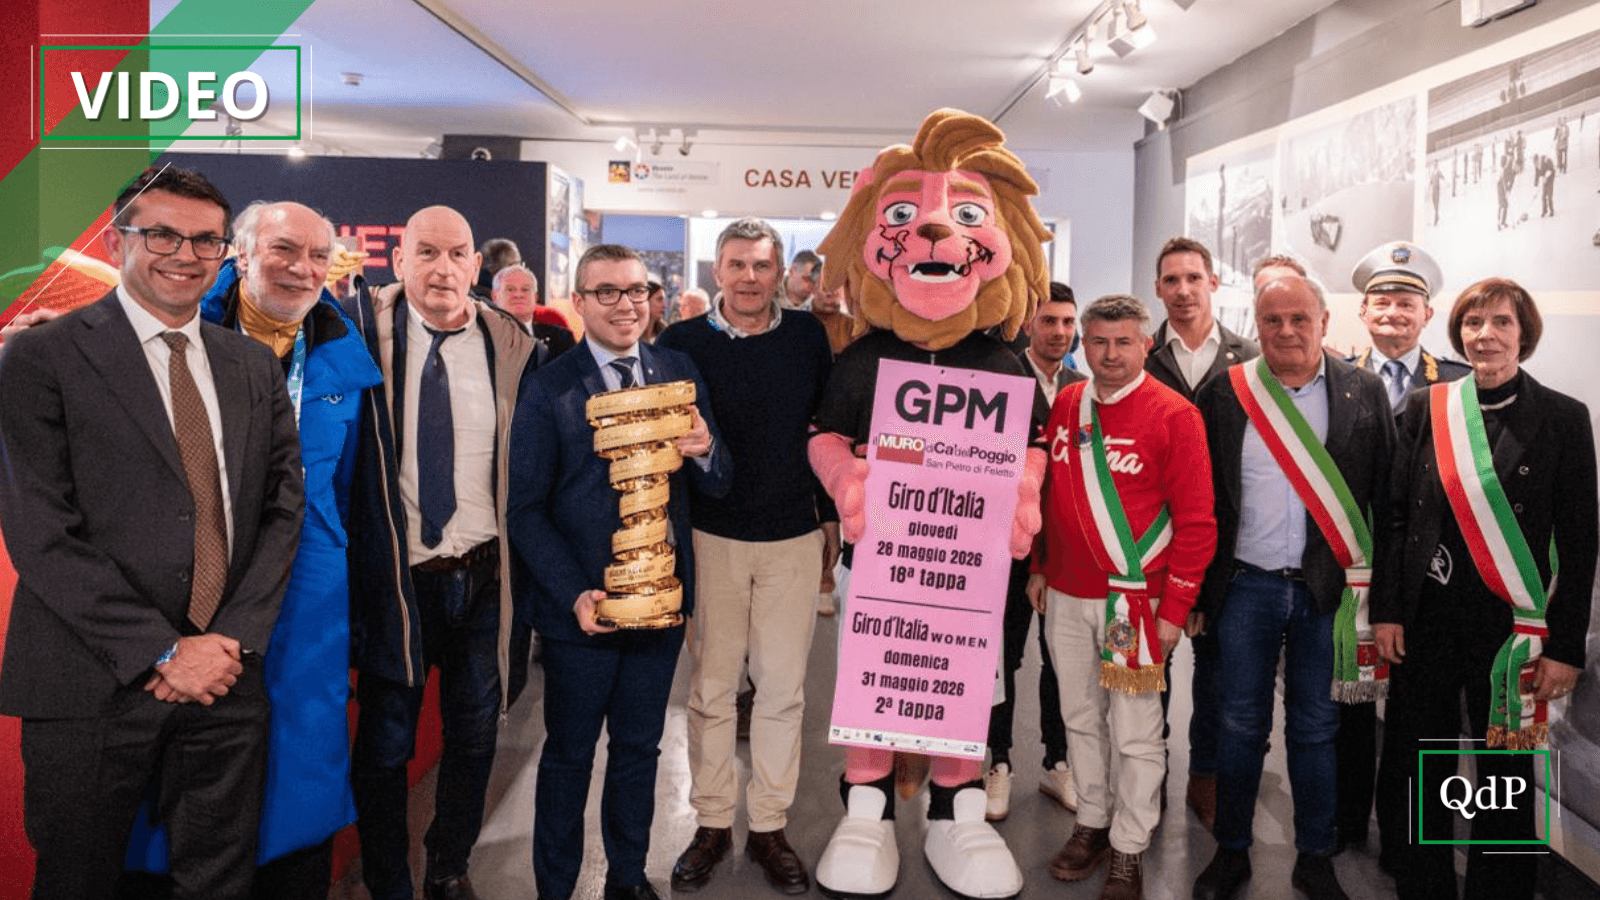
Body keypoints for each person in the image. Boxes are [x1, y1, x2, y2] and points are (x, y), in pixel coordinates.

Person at [0, 165, 304, 900]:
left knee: (218, 880)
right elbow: (41, 531)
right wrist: (163, 651)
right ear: (116, 242)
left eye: (205, 240)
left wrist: (228, 640)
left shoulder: (252, 366)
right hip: (89, 681)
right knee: (77, 879)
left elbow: (282, 511)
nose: (185, 255)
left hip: (225, 678)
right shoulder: (40, 357)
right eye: (162, 234)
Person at [109, 201, 382, 896]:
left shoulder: (344, 354)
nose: (302, 268)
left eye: (318, 256)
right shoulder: (177, 334)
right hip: (195, 591)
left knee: (298, 769)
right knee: (189, 777)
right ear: (241, 253)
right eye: (284, 249)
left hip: (308, 609)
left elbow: (352, 495)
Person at [507, 243, 730, 900]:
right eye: (607, 291)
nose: (626, 304)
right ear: (579, 301)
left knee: (638, 753)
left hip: (659, 607)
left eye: (636, 290)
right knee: (569, 757)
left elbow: (718, 482)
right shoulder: (549, 386)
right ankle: (556, 887)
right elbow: (525, 511)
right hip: (584, 612)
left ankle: (627, 881)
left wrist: (706, 450)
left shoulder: (677, 370)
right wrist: (574, 593)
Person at [1375, 278, 1595, 900]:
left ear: (1524, 335)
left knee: (1503, 775)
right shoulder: (1428, 406)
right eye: (1473, 323)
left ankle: (1499, 890)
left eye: (1501, 322)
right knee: (1425, 761)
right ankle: (1424, 885)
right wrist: (1388, 611)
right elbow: (1396, 517)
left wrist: (1565, 647)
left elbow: (1581, 541)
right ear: (1459, 333)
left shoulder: (1564, 417)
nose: (1486, 335)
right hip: (1428, 619)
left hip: (1513, 630)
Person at [344, 205, 540, 900]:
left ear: (477, 266)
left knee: (476, 736)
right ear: (398, 261)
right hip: (397, 580)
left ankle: (448, 866)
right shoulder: (357, 333)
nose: (443, 268)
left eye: (457, 253)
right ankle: (388, 879)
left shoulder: (512, 346)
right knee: (385, 743)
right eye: (426, 252)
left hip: (484, 577)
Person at [1191, 274, 1393, 900]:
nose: (1285, 331)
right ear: (1256, 325)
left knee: (1315, 728)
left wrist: (1383, 601)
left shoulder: (1363, 391)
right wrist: (1197, 594)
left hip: (1325, 594)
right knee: (1238, 725)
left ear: (1324, 322)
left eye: (1299, 318)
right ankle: (1231, 849)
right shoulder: (1225, 392)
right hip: (1244, 587)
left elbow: (1385, 499)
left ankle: (1315, 855)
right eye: (1272, 320)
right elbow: (1201, 500)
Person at [656, 218, 836, 895]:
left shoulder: (807, 337)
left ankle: (768, 825)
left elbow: (825, 431)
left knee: (783, 690)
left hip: (792, 536)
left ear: (780, 272)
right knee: (710, 690)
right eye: (737, 265)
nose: (750, 278)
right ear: (717, 270)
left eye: (762, 266)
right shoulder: (682, 342)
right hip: (711, 537)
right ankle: (710, 823)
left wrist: (828, 517)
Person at [1030, 294, 1216, 900]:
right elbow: (1050, 494)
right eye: (1099, 342)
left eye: (1123, 342)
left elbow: (1197, 523)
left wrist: (1175, 610)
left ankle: (1130, 846)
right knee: (1079, 719)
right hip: (1064, 596)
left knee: (1136, 733)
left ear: (1146, 345)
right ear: (1083, 344)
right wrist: (1039, 566)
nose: (1110, 354)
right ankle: (1092, 821)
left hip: (1135, 605)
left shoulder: (1176, 415)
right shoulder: (1068, 403)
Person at [1146, 236, 1259, 832]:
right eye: (1171, 280)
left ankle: (1205, 778)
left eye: (1193, 278)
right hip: (1150, 544)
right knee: (1149, 672)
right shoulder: (1139, 358)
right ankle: (1149, 777)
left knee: (1218, 674)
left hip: (1228, 547)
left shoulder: (1252, 359)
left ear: (1213, 282)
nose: (1183, 290)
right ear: (1158, 289)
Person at [984, 281, 1080, 822]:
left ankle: (1057, 761)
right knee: (1004, 657)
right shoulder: (1001, 377)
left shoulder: (1084, 388)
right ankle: (998, 761)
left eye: (1068, 322)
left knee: (1060, 658)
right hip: (1007, 546)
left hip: (1063, 550)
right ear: (1028, 323)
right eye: (1049, 321)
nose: (1060, 332)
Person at [492, 263, 576, 358]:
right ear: (494, 297)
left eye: (525, 290)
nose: (518, 295)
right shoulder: (483, 337)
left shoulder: (562, 339)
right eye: (510, 289)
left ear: (535, 297)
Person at [811, 280, 859, 356]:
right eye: (824, 286)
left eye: (836, 286)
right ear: (813, 288)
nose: (830, 293)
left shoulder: (855, 327)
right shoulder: (799, 324)